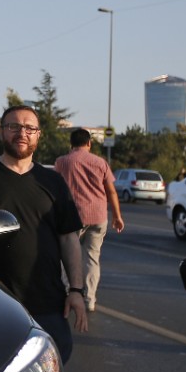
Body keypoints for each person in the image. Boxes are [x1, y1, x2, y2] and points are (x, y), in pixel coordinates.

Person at [0, 105, 88, 362]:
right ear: (1, 133)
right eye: (14, 127)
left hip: (46, 303)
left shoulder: (53, 182)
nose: (22, 133)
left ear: (38, 135)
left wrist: (77, 290)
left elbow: (69, 238)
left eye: (29, 128)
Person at [54, 128, 124, 313]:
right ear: (89, 144)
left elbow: (56, 188)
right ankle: (90, 299)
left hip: (72, 217)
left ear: (71, 144)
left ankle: (67, 294)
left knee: (67, 257)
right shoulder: (100, 162)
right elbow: (111, 191)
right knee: (92, 259)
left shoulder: (62, 162)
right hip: (98, 216)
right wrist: (117, 216)